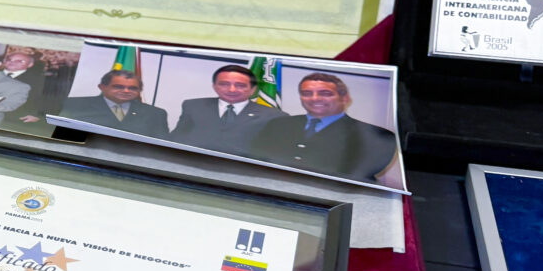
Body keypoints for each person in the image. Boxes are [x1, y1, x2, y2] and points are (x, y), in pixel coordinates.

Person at [248, 72, 399, 182]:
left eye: (325, 93)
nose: (315, 99)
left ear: (344, 98)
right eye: (307, 93)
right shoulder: (278, 125)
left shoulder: (376, 137)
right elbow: (259, 162)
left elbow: (356, 177)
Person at [169, 64, 287, 154]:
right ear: (214, 86)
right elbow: (176, 138)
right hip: (191, 165)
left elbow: (274, 153)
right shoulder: (193, 106)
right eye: (224, 84)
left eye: (240, 85)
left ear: (253, 90)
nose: (232, 90)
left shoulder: (274, 116)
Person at [58, 69, 170, 138]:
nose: (126, 91)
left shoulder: (155, 114)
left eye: (133, 88)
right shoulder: (75, 105)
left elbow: (160, 146)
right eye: (119, 87)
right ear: (102, 87)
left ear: (139, 91)